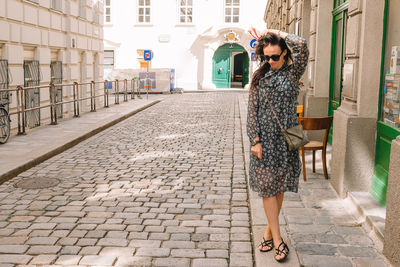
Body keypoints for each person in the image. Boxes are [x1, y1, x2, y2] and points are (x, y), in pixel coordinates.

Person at [247, 29, 309, 262]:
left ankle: (267, 232)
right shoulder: (259, 77)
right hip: (263, 140)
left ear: (284, 53)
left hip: (285, 140)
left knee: (278, 187)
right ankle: (279, 240)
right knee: (267, 189)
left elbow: (302, 45)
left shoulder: (293, 74)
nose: (270, 61)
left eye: (274, 56)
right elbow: (252, 111)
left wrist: (277, 32)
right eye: (266, 57)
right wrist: (255, 140)